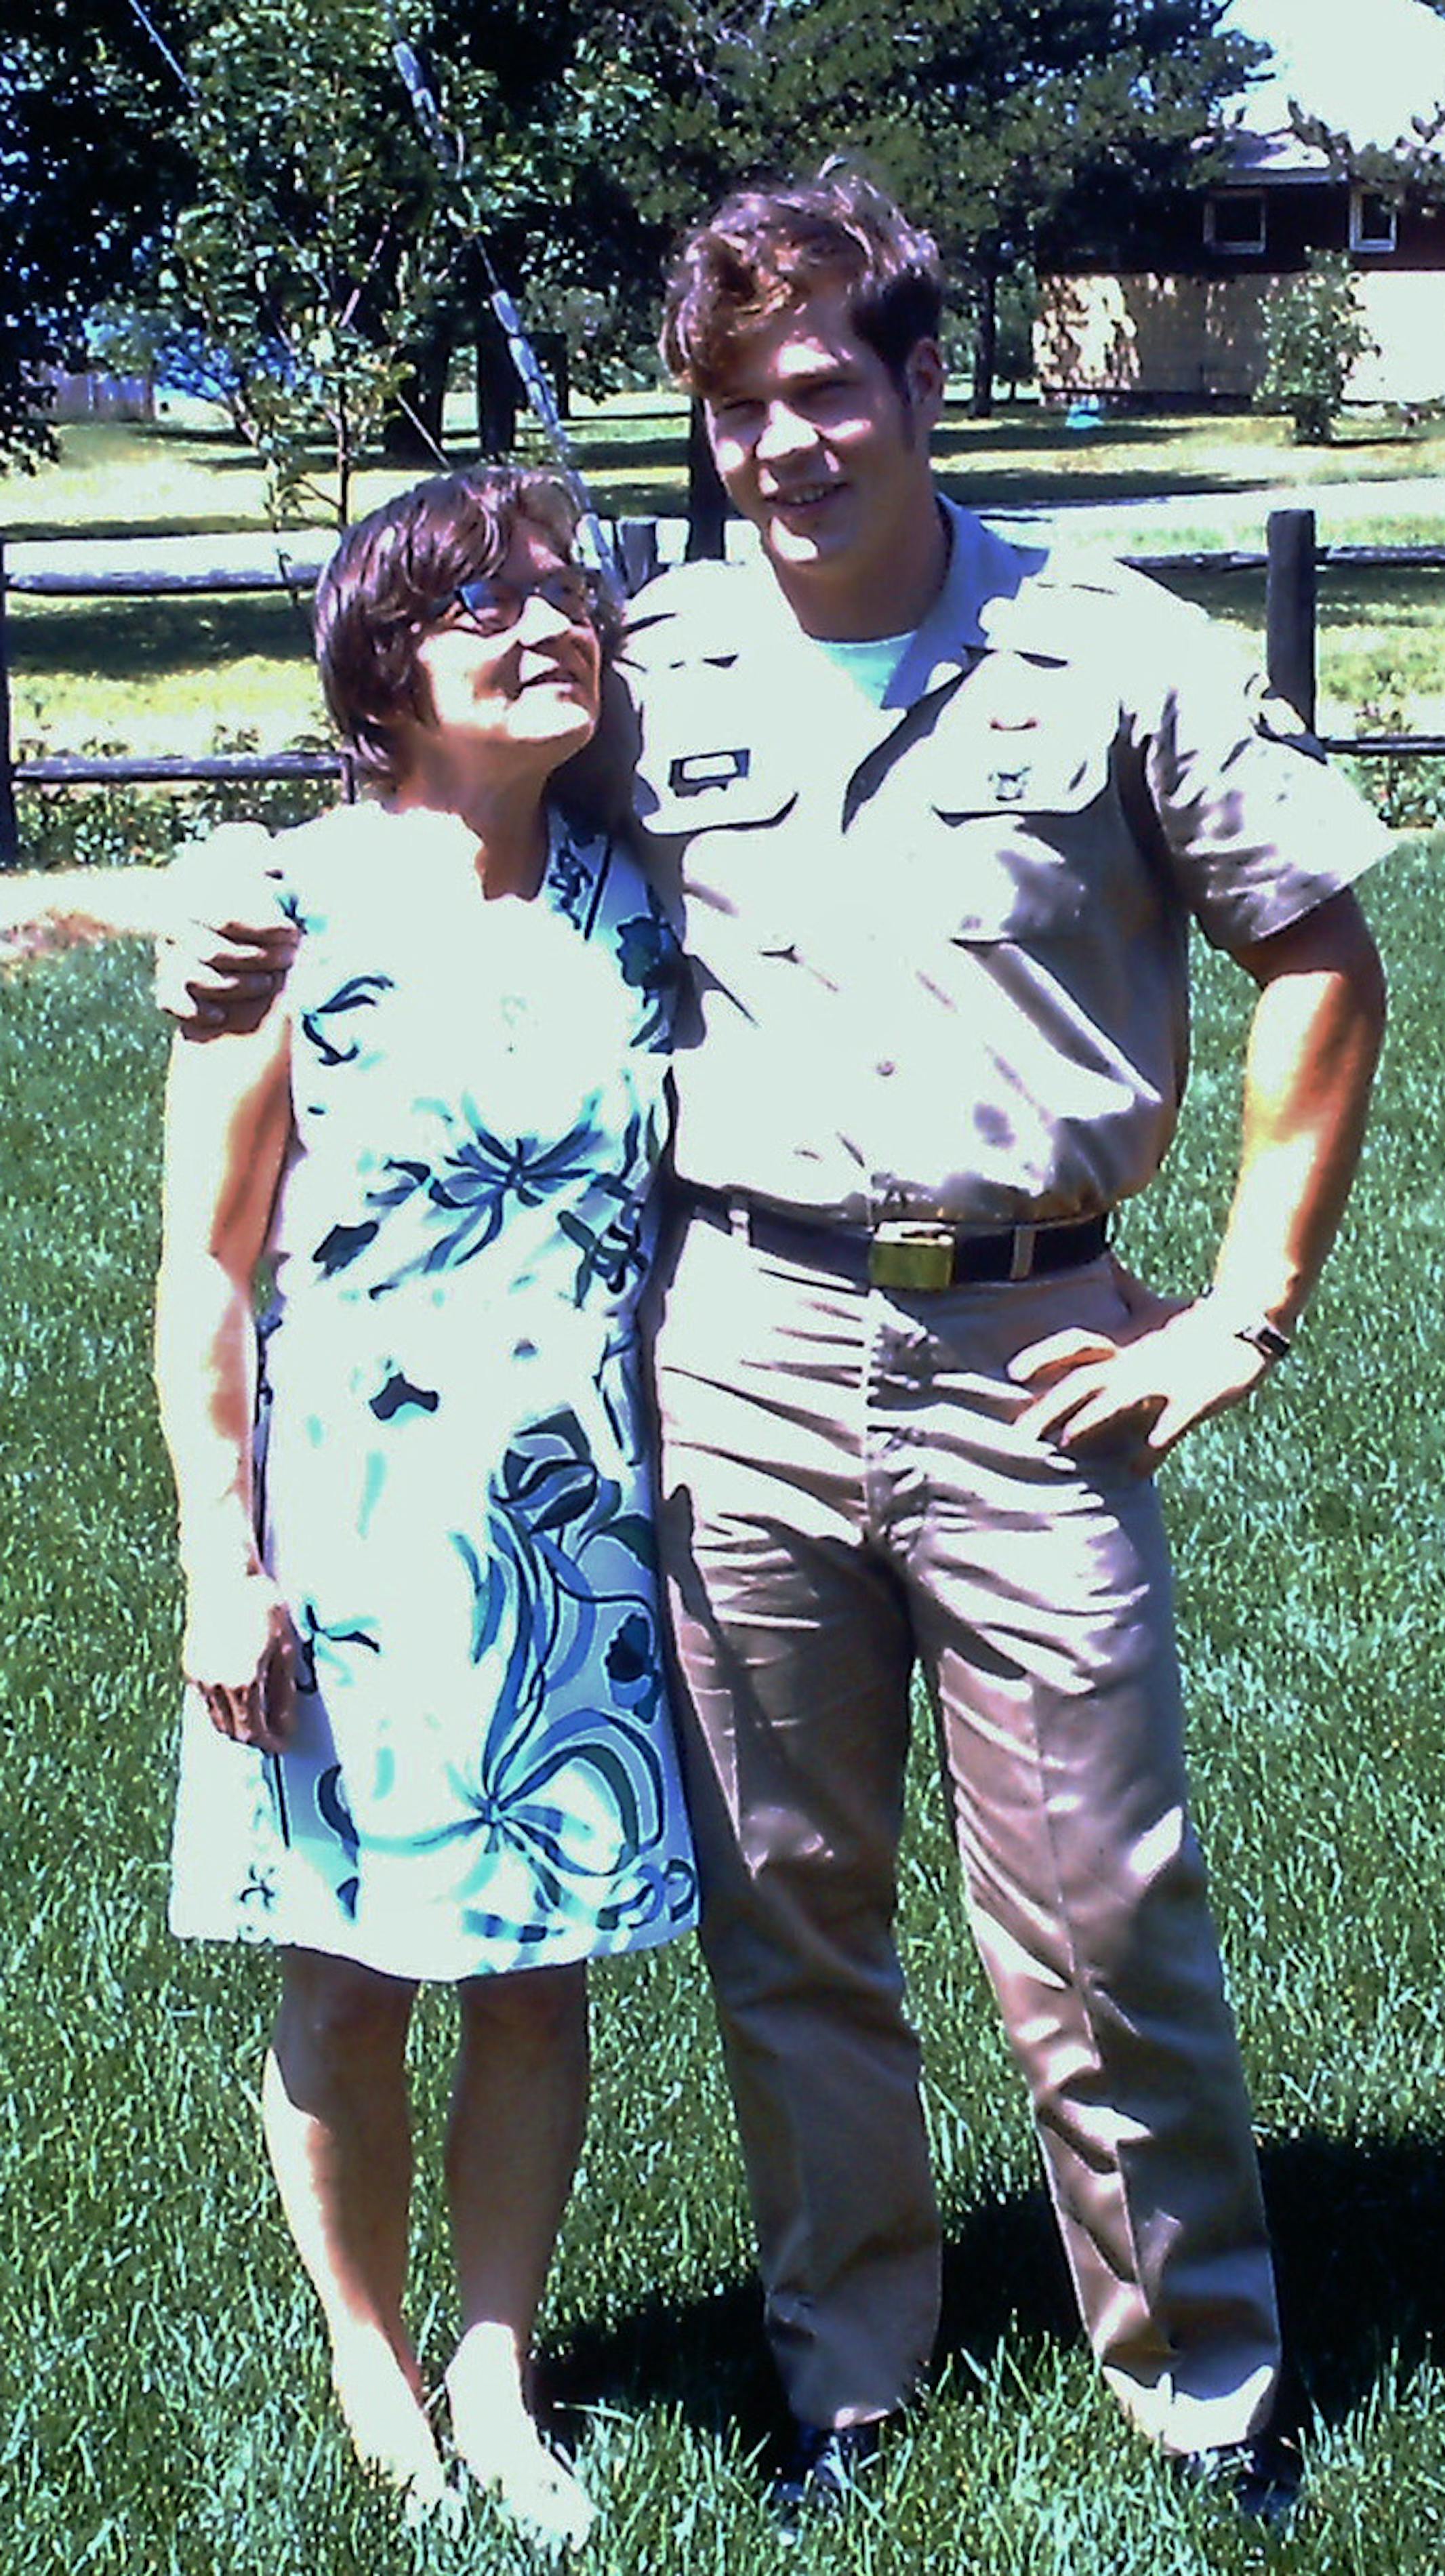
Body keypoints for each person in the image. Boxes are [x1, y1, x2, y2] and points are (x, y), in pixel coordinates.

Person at [161, 174, 1388, 2533]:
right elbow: (422, 819)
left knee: (1102, 1893)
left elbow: (1318, 946)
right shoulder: (655, 665)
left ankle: (1198, 2373)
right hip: (722, 1343)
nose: (788, 442)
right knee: (788, 1906)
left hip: (1034, 1342)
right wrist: (224, 914)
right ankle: (853, 2374)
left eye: (830, 385)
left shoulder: (1108, 645)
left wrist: (1242, 1304)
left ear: (929, 377)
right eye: (740, 405)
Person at [152, 463, 696, 2549]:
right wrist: (226, 1560)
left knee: (541, 1971)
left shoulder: (634, 891)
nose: (550, 626)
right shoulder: (280, 907)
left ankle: (499, 2358)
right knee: (347, 1975)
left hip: (579, 1541)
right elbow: (207, 1272)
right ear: (386, 670)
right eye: (488, 607)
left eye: (570, 597)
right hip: (354, 1541)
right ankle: (372, 2368)